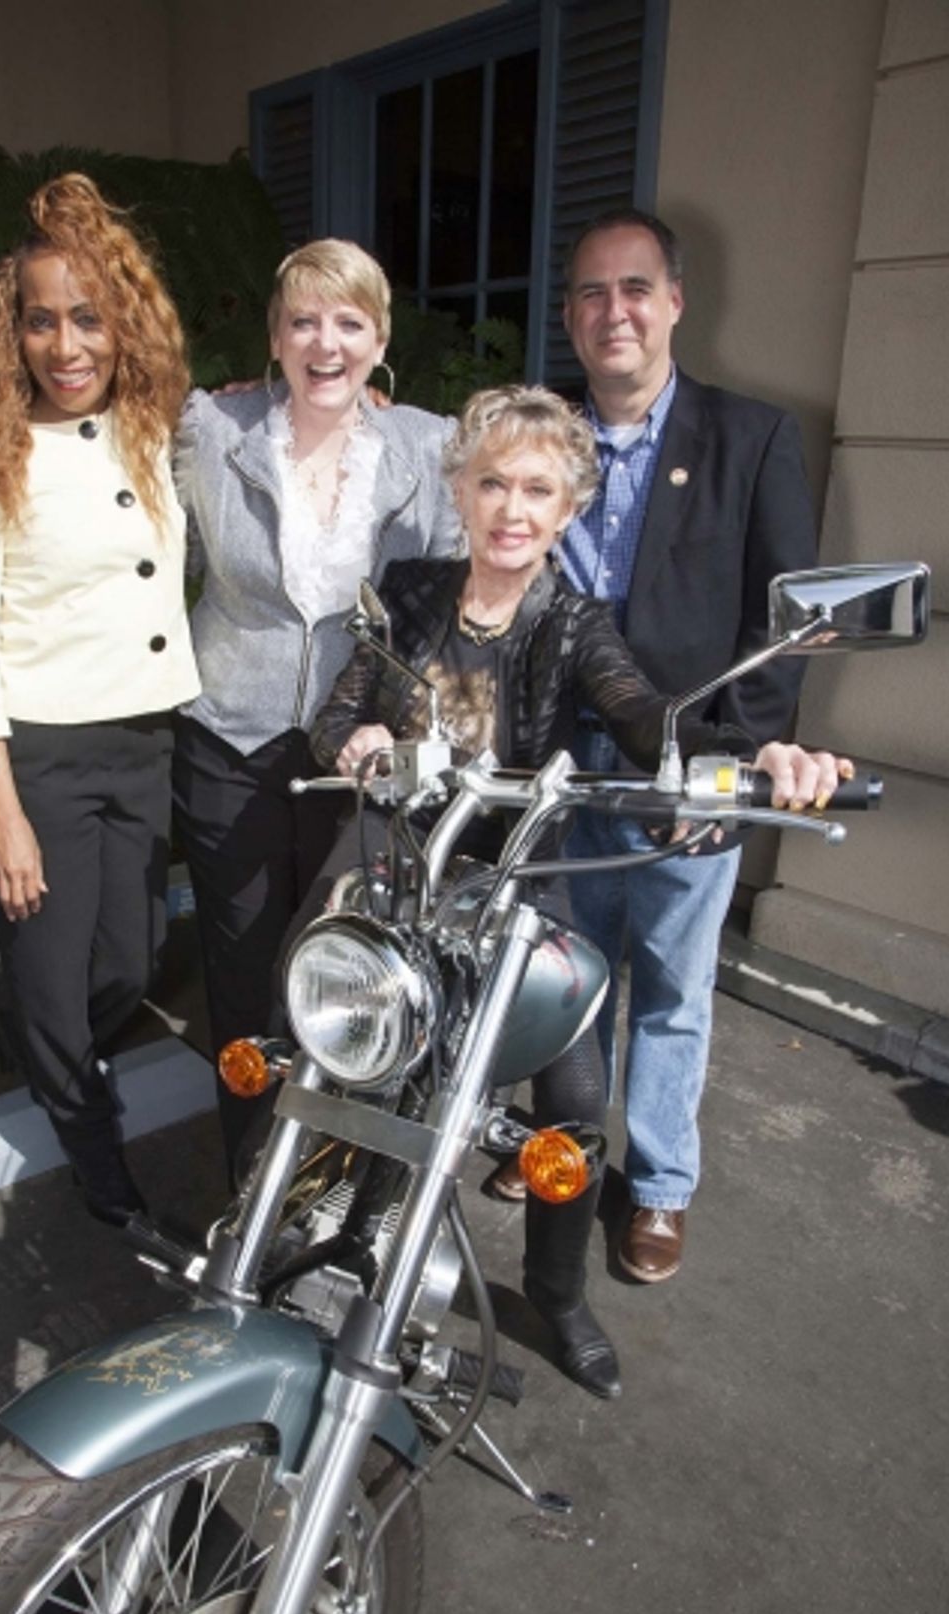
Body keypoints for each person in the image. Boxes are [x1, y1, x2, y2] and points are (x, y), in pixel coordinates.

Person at [309, 385, 847, 1399]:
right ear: (461, 492)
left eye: (539, 490)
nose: (514, 508)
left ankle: (555, 1294)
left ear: (567, 512)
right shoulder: (411, 592)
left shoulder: (574, 620)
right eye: (495, 483)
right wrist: (358, 736)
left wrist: (756, 750)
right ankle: (286, 1232)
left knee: (571, 1098)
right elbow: (343, 700)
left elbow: (650, 717)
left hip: (517, 879)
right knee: (312, 1030)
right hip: (396, 864)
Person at [0, 173, 199, 1227]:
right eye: (43, 321)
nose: (68, 344)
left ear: (123, 326)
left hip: (141, 741)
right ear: (16, 335)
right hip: (34, 756)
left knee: (127, 963)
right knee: (54, 981)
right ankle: (98, 1162)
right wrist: (2, 814)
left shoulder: (150, 431)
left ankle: (41, 1037)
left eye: (89, 317)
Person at [559, 207, 818, 1285]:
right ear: (570, 317)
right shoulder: (546, 437)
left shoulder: (751, 437)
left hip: (688, 764)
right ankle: (564, 1147)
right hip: (562, 766)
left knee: (670, 984)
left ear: (673, 302)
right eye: (589, 293)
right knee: (566, 983)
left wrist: (738, 765)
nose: (612, 312)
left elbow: (785, 620)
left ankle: (659, 1188)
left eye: (633, 290)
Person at [172, 238, 460, 1172]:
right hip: (231, 743)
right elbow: (153, 566)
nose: (324, 342)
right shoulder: (214, 434)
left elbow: (461, 602)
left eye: (349, 322)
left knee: (356, 979)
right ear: (275, 336)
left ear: (380, 339)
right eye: (303, 320)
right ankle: (249, 1184)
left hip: (361, 762)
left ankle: (338, 1185)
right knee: (246, 971)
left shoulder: (428, 446)